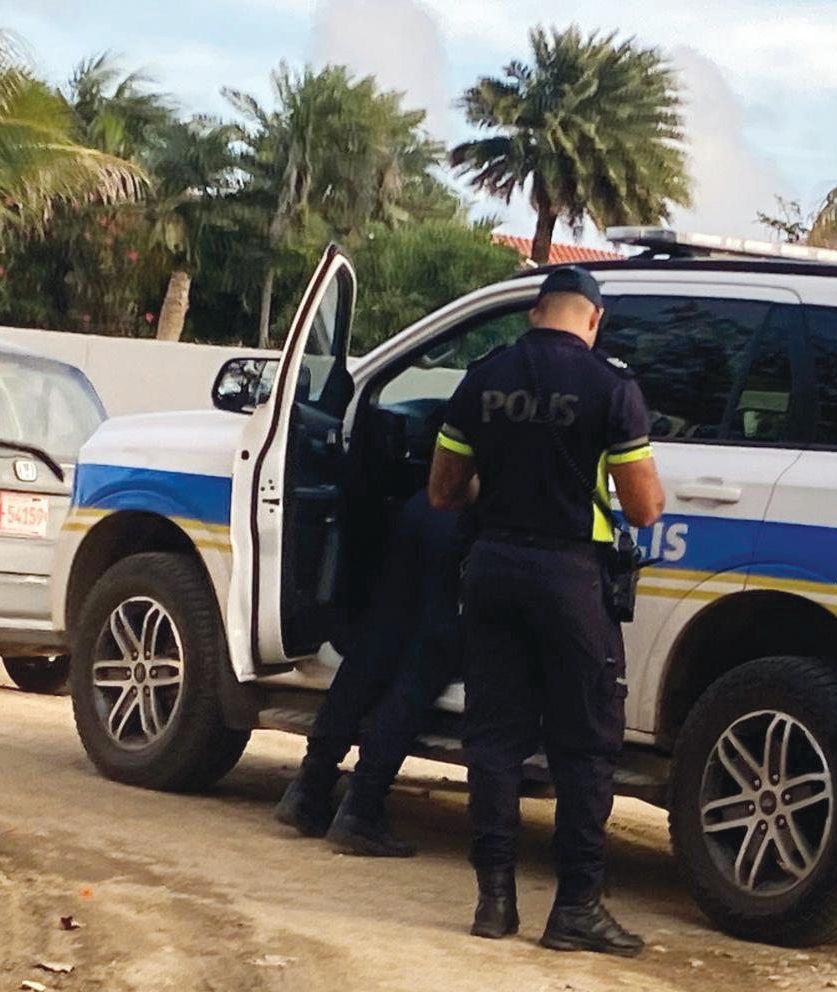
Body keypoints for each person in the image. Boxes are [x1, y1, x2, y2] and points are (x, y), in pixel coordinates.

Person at [428, 266, 664, 958]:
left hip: (493, 569)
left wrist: (501, 488)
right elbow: (645, 508)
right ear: (593, 321)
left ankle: (494, 901)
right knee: (585, 746)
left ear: (535, 313)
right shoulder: (612, 388)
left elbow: (444, 491)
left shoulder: (484, 378)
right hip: (571, 580)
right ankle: (576, 908)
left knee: (494, 740)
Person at [273, 488, 467, 857]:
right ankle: (362, 805)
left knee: (378, 640)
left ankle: (309, 785)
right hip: (469, 517)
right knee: (427, 661)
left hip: (426, 503)